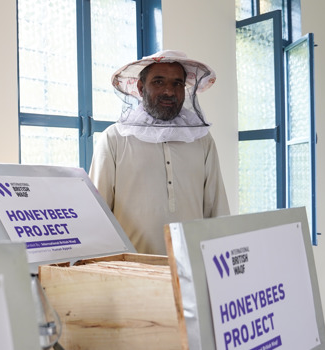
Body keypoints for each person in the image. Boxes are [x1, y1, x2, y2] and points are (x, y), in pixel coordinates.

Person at [89, 50, 229, 255]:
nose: (169, 92)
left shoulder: (202, 140)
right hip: (133, 271)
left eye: (177, 84)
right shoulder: (114, 138)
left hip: (192, 269)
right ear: (140, 87)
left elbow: (217, 210)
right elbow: (97, 214)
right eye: (158, 82)